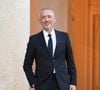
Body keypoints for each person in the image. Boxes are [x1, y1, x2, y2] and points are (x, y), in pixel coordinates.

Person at [23, 8, 77, 90]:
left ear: (54, 19)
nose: (46, 19)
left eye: (49, 16)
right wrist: (33, 82)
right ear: (40, 20)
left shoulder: (64, 37)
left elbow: (70, 62)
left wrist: (73, 82)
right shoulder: (34, 40)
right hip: (42, 84)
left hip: (62, 83)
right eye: (43, 17)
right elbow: (27, 64)